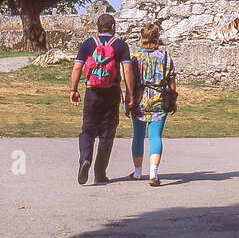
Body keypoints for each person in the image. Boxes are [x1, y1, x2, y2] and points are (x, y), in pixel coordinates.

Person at [70, 13, 134, 185]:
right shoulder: (120, 45)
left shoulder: (88, 44)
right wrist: (130, 93)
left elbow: (77, 68)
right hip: (111, 92)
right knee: (107, 133)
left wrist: (73, 90)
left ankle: (85, 158)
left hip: (92, 92)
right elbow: (127, 70)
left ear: (97, 27)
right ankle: (100, 173)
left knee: (87, 130)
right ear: (113, 27)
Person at [129, 22, 176, 186]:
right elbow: (171, 78)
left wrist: (129, 99)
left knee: (138, 136)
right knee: (155, 136)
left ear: (142, 38)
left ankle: (137, 172)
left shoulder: (136, 58)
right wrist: (173, 98)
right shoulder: (164, 56)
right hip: (159, 99)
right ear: (157, 38)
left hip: (140, 99)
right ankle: (153, 173)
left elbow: (131, 81)